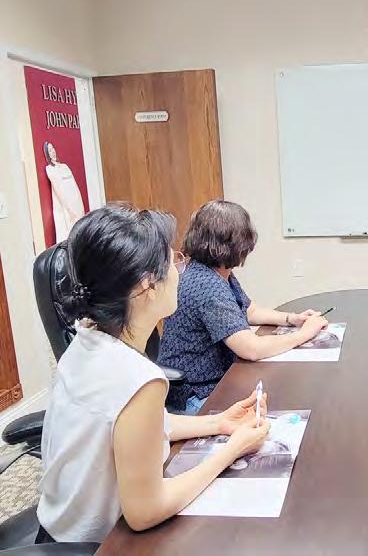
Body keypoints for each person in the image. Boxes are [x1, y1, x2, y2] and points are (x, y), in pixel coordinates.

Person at [37, 204, 271, 544]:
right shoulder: (139, 379)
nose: (179, 269)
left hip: (54, 531)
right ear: (148, 286)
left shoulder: (87, 338)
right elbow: (146, 511)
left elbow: (136, 426)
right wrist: (232, 450)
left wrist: (219, 423)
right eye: (173, 262)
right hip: (100, 547)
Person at [159, 200, 328, 414]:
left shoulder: (213, 272)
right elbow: (251, 349)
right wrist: (304, 334)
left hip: (213, 382)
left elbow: (248, 309)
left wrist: (291, 319)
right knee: (280, 404)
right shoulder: (207, 285)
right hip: (196, 396)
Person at [43, 141, 85, 243]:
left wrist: (80, 202)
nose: (53, 151)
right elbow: (57, 189)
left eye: (53, 148)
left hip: (75, 201)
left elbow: (74, 184)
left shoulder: (65, 166)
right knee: (69, 233)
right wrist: (68, 208)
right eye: (50, 150)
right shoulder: (49, 169)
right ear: (47, 154)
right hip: (64, 206)